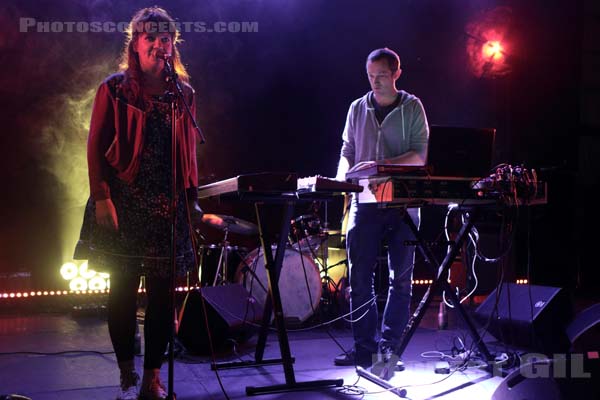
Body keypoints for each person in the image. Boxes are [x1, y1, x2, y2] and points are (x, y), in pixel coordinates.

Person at [74, 7, 208, 400]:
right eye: (149, 37)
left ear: (172, 45)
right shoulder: (113, 89)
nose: (157, 44)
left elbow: (188, 153)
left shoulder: (183, 95)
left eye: (164, 38)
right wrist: (102, 198)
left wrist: (192, 200)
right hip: (124, 204)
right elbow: (95, 147)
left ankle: (152, 377)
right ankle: (127, 371)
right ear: (135, 44)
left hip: (168, 209)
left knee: (164, 297)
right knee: (122, 291)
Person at [333, 48, 429, 369]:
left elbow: (420, 155)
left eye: (382, 76)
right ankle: (365, 349)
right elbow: (347, 149)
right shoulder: (356, 108)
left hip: (403, 200)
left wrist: (381, 164)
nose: (376, 82)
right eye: (371, 76)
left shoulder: (413, 107)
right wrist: (340, 176)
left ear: (396, 74)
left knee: (400, 280)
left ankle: (389, 349)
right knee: (360, 278)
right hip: (366, 197)